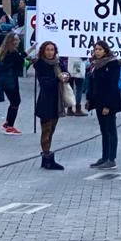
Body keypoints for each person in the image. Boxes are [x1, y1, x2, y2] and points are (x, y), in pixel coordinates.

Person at [86, 41, 121, 169]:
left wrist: (108, 105)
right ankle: (104, 156)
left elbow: (112, 86)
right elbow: (92, 82)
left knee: (110, 129)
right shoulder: (95, 64)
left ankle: (112, 159)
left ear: (106, 50)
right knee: (103, 130)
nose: (97, 51)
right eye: (96, 49)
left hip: (109, 102)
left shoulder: (113, 64)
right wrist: (89, 99)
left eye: (100, 49)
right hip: (98, 101)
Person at [32, 41, 68, 170]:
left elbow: (66, 73)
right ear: (43, 51)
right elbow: (45, 83)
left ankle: (46, 158)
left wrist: (66, 76)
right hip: (46, 101)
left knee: (52, 130)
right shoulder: (40, 64)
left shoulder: (58, 63)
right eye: (47, 50)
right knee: (46, 131)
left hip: (56, 101)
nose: (50, 52)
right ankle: (47, 158)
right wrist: (59, 78)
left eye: (52, 50)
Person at [0, 33, 25, 134]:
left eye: (18, 40)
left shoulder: (4, 51)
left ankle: (8, 123)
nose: (18, 42)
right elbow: (20, 61)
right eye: (15, 40)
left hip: (4, 82)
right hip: (10, 81)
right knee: (16, 102)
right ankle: (10, 126)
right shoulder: (13, 52)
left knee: (13, 102)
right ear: (11, 41)